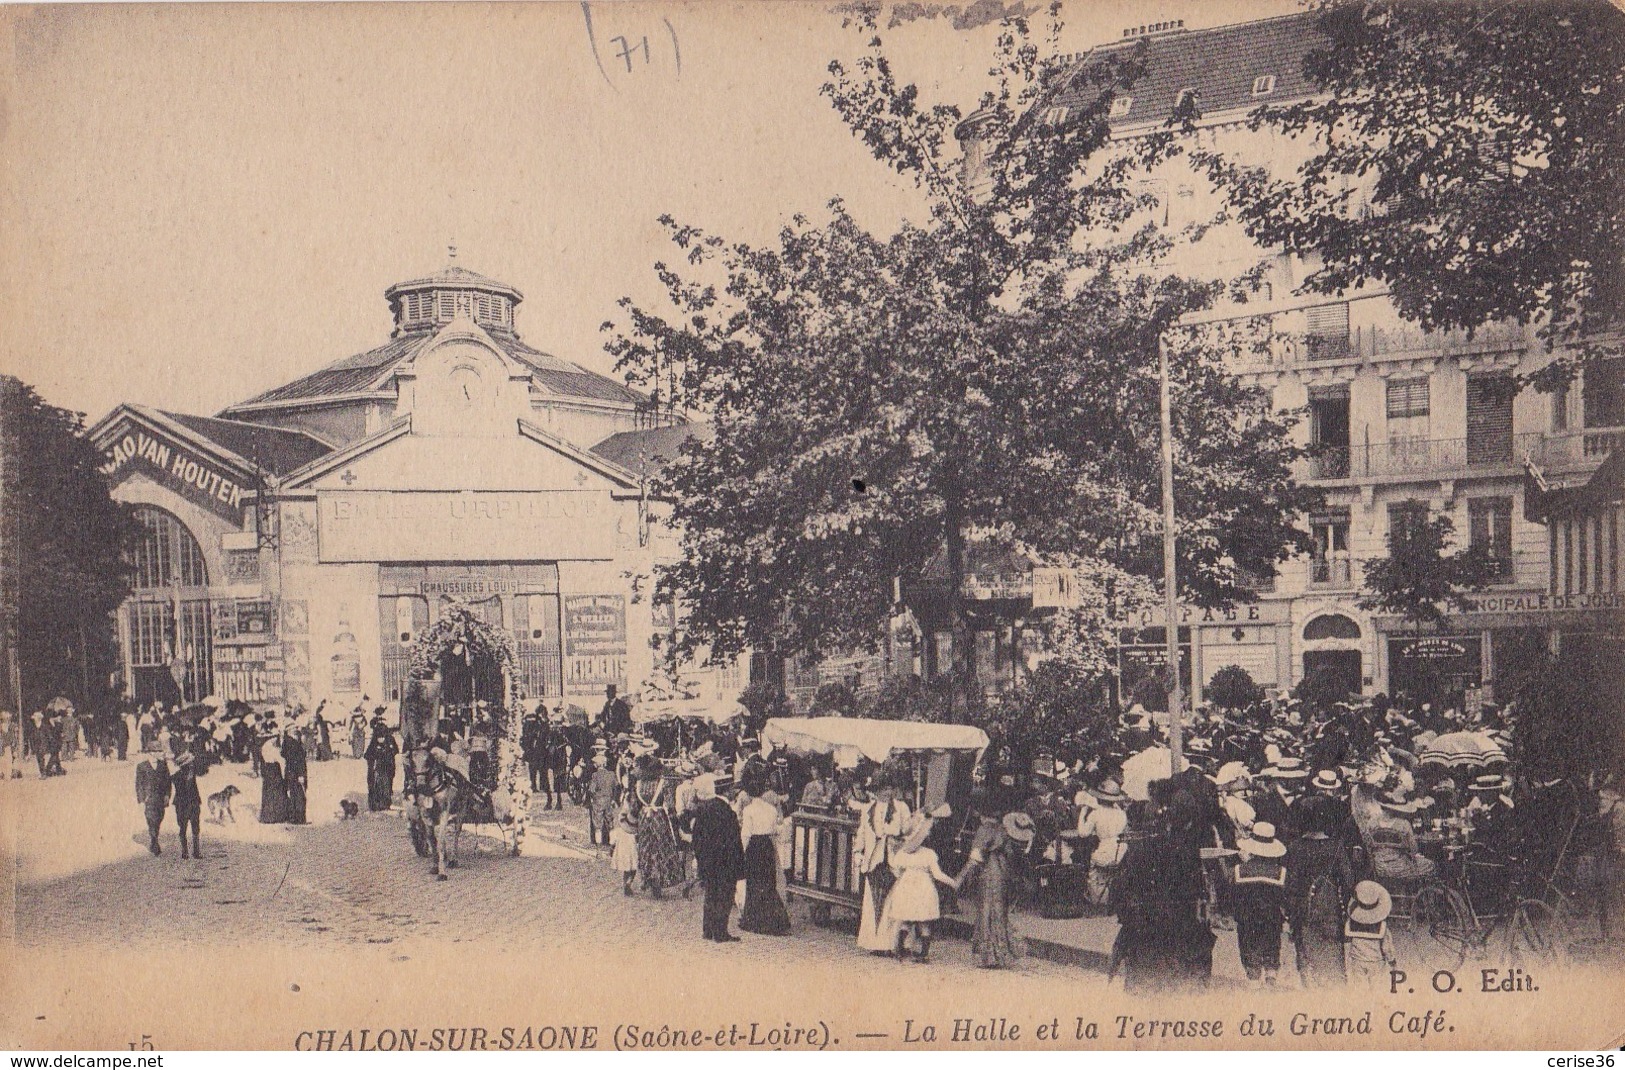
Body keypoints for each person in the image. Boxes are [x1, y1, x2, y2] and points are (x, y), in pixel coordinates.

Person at [956, 808, 1027, 969]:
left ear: (982, 816)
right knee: (999, 910)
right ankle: (1002, 952)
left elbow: (976, 855)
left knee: (987, 910)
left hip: (989, 872)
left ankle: (989, 955)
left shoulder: (984, 829)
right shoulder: (1004, 830)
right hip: (1004, 872)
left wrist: (961, 877)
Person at [886, 807, 959, 962]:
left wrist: (903, 877)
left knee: (906, 919)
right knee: (923, 921)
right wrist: (952, 882)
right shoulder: (929, 854)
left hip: (906, 886)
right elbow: (938, 874)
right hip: (923, 887)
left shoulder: (902, 853)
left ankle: (900, 949)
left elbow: (895, 869)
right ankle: (924, 953)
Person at [852, 777, 911, 953]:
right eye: (882, 789)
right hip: (873, 861)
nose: (886, 792)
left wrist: (898, 838)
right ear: (875, 791)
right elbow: (862, 832)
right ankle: (875, 943)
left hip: (894, 861)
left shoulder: (901, 808)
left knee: (893, 902)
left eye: (888, 788)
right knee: (873, 903)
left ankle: (892, 944)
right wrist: (857, 852)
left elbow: (909, 832)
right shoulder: (868, 809)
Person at [688, 773, 745, 942]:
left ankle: (708, 931)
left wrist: (700, 858)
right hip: (725, 862)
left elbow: (697, 837)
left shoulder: (704, 808)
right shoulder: (728, 812)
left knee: (711, 893)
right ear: (727, 791)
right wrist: (739, 865)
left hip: (707, 861)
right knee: (725, 895)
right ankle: (721, 932)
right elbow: (735, 842)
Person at [1231, 821, 1288, 988]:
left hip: (1247, 918)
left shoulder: (1240, 870)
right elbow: (1285, 896)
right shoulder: (1281, 873)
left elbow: (1232, 892)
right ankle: (1271, 976)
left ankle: (1254, 979)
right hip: (1272, 918)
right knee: (1272, 945)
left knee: (1249, 947)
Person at [737, 771, 792, 935]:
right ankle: (773, 919)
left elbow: (746, 833)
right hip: (768, 845)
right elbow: (776, 829)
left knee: (754, 883)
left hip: (754, 846)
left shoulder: (749, 810)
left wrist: (741, 850)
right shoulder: (771, 809)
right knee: (768, 882)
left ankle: (754, 919)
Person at [633, 760, 685, 897]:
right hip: (659, 817)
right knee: (660, 847)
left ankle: (648, 877)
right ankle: (660, 879)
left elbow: (634, 806)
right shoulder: (663, 784)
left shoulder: (638, 785)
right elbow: (670, 804)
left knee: (646, 848)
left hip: (644, 817)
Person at [1077, 778, 1129, 906]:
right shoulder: (1121, 814)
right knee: (1110, 870)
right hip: (1121, 852)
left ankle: (1098, 899)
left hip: (1105, 852)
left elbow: (1083, 833)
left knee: (1093, 865)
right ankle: (1110, 896)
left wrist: (1083, 813)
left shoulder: (1096, 814)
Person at [1344, 880, 1396, 987]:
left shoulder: (1350, 924)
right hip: (1376, 962)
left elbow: (1347, 946)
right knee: (1376, 990)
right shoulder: (1382, 927)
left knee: (1360, 990)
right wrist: (1392, 962)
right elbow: (1387, 948)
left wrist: (1348, 965)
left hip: (1357, 961)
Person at [136, 753, 172, 856]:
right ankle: (154, 841)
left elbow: (168, 781)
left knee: (159, 818)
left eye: (160, 750)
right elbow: (139, 784)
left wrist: (167, 795)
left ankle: (154, 836)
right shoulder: (142, 766)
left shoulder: (163, 765)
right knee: (151, 819)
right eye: (157, 750)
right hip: (149, 798)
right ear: (151, 752)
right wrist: (141, 800)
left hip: (160, 798)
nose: (160, 753)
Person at [171, 751, 203, 859]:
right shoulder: (176, 777)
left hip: (194, 804)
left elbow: (202, 768)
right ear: (184, 765)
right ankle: (185, 851)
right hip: (182, 805)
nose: (192, 764)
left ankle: (196, 851)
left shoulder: (192, 773)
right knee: (183, 828)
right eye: (190, 763)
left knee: (196, 827)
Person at [364, 717, 398, 812]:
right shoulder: (374, 742)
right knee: (375, 786)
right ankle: (374, 805)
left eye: (382, 737)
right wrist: (374, 757)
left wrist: (388, 753)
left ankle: (385, 804)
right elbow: (367, 754)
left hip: (387, 768)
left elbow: (395, 750)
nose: (380, 739)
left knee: (386, 786)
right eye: (379, 737)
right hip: (376, 769)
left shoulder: (390, 740)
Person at [259, 727, 288, 824]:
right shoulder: (271, 747)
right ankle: (276, 816)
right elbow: (280, 760)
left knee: (268, 792)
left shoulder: (265, 745)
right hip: (274, 769)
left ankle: (267, 816)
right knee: (277, 792)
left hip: (268, 769)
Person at [587, 756, 619, 847]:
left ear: (597, 765)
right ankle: (612, 845)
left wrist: (593, 797)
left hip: (598, 802)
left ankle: (598, 849)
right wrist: (613, 799)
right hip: (609, 801)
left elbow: (591, 790)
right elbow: (616, 788)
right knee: (611, 824)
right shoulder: (611, 774)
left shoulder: (595, 775)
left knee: (598, 826)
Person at [283, 723, 309, 825]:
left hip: (290, 772)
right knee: (299, 795)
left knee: (294, 795)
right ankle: (299, 819)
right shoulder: (292, 743)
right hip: (296, 772)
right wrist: (301, 774)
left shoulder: (287, 741)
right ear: (289, 730)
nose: (296, 729)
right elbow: (297, 760)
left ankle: (294, 817)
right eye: (294, 728)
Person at [611, 805, 639, 896]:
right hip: (633, 852)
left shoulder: (619, 829)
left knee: (625, 870)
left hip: (623, 852)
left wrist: (611, 848)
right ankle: (629, 883)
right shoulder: (634, 833)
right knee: (633, 869)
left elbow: (613, 840)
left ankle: (624, 884)